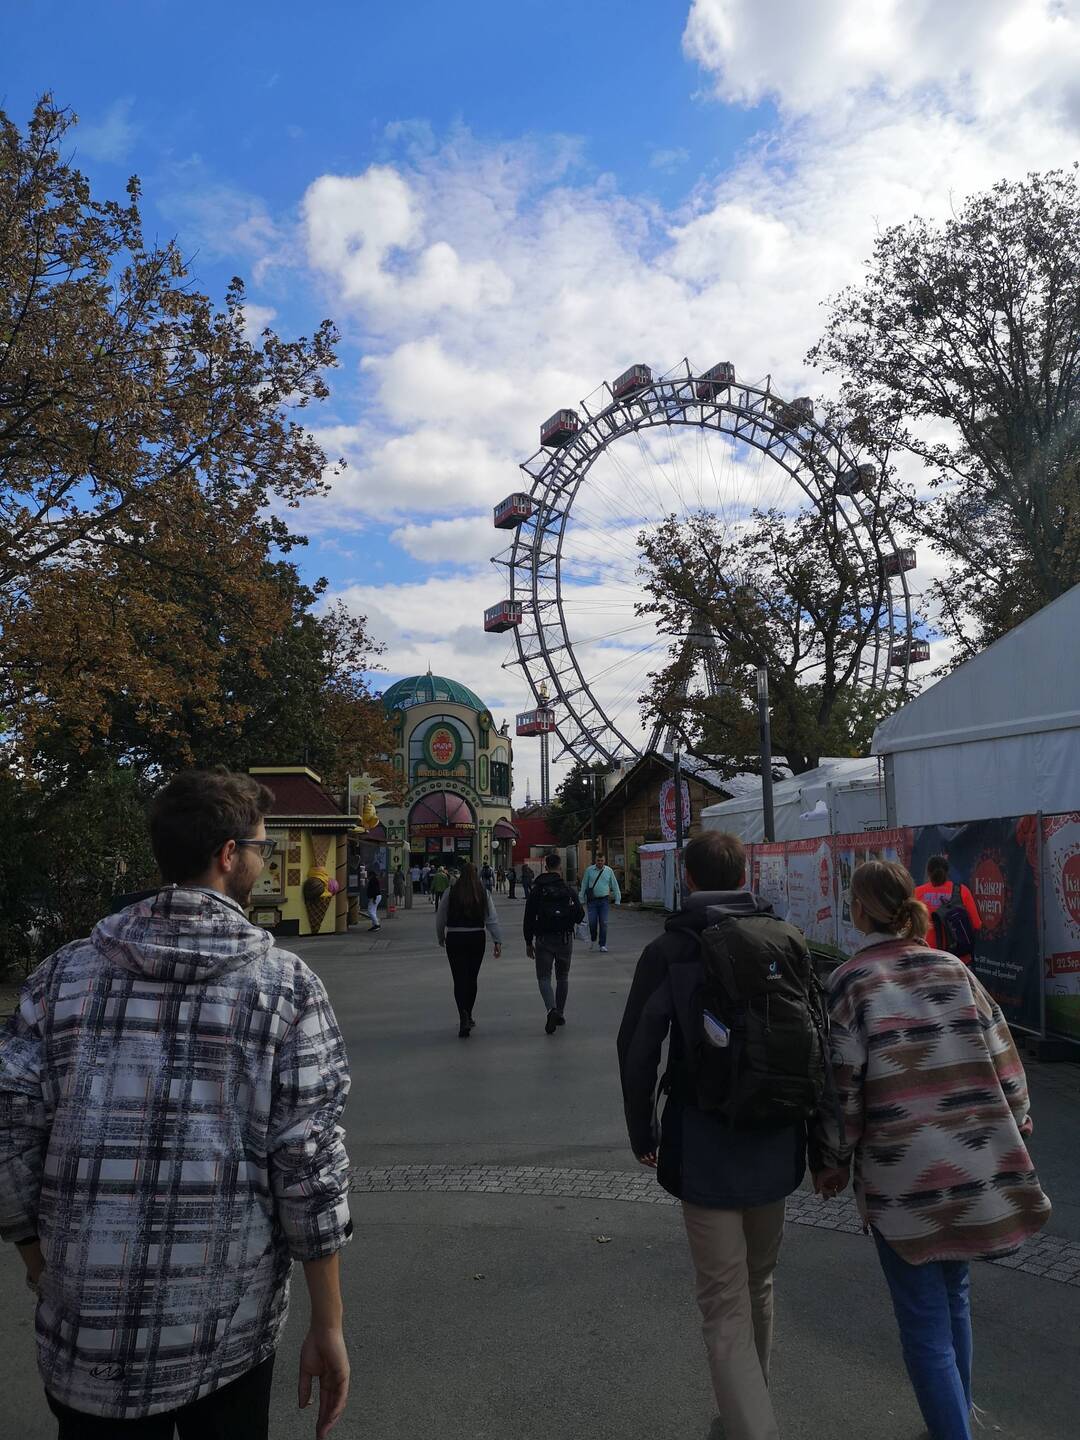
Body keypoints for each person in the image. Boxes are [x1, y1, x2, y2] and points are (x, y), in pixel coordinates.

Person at [0, 768, 352, 1439]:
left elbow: (9, 1123)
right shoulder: (286, 989)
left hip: (86, 1333)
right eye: (261, 849)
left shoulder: (63, 974)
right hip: (226, 1328)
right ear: (228, 856)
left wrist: (37, 1257)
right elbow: (308, 1165)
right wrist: (327, 1324)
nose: (262, 860)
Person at [811, 860, 1050, 1440]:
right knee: (955, 1297)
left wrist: (833, 1162)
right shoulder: (952, 968)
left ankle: (952, 1429)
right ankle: (956, 1416)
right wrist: (1018, 1120)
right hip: (974, 1160)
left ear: (860, 909)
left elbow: (843, 1085)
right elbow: (1004, 1056)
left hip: (903, 1177)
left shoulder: (850, 981)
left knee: (922, 1323)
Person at [617, 831, 810, 1440]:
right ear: (745, 871)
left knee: (722, 1299)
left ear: (689, 878)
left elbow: (637, 1048)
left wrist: (642, 1129)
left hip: (704, 1138)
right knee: (759, 1280)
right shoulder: (788, 939)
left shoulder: (672, 948)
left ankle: (752, 1427)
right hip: (777, 1135)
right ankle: (748, 1407)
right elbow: (819, 1044)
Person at [435, 862, 502, 1037]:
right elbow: (491, 918)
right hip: (476, 937)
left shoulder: (451, 892)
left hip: (455, 937)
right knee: (472, 978)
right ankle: (469, 1013)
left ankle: (462, 1014)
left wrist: (441, 936)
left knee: (459, 978)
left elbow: (440, 916)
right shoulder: (483, 893)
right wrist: (497, 940)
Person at [523, 852, 586, 1036]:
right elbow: (580, 915)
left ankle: (551, 1009)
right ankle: (560, 1013)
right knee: (562, 976)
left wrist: (528, 941)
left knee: (543, 977)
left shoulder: (537, 890)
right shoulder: (567, 889)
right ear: (559, 867)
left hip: (543, 939)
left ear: (545, 867)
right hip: (565, 938)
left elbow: (528, 917)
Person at [915, 854, 982, 964]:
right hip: (958, 960)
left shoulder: (917, 893)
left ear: (928, 872)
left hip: (927, 959)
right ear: (947, 872)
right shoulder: (961, 891)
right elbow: (976, 924)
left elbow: (907, 928)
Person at [579, 851, 621, 952]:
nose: (600, 862)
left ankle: (602, 944)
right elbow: (584, 885)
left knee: (604, 922)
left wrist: (617, 899)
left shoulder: (609, 871)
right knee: (593, 922)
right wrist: (581, 899)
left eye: (602, 861)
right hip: (592, 901)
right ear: (595, 860)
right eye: (598, 860)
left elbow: (614, 885)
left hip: (604, 901)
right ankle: (593, 939)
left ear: (604, 861)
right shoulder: (589, 870)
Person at [366, 865, 382, 931]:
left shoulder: (373, 880)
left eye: (369, 875)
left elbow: (374, 890)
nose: (368, 877)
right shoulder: (374, 880)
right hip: (376, 896)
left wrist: (374, 898)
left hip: (374, 897)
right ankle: (374, 925)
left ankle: (377, 924)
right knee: (373, 911)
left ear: (371, 875)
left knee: (370, 911)